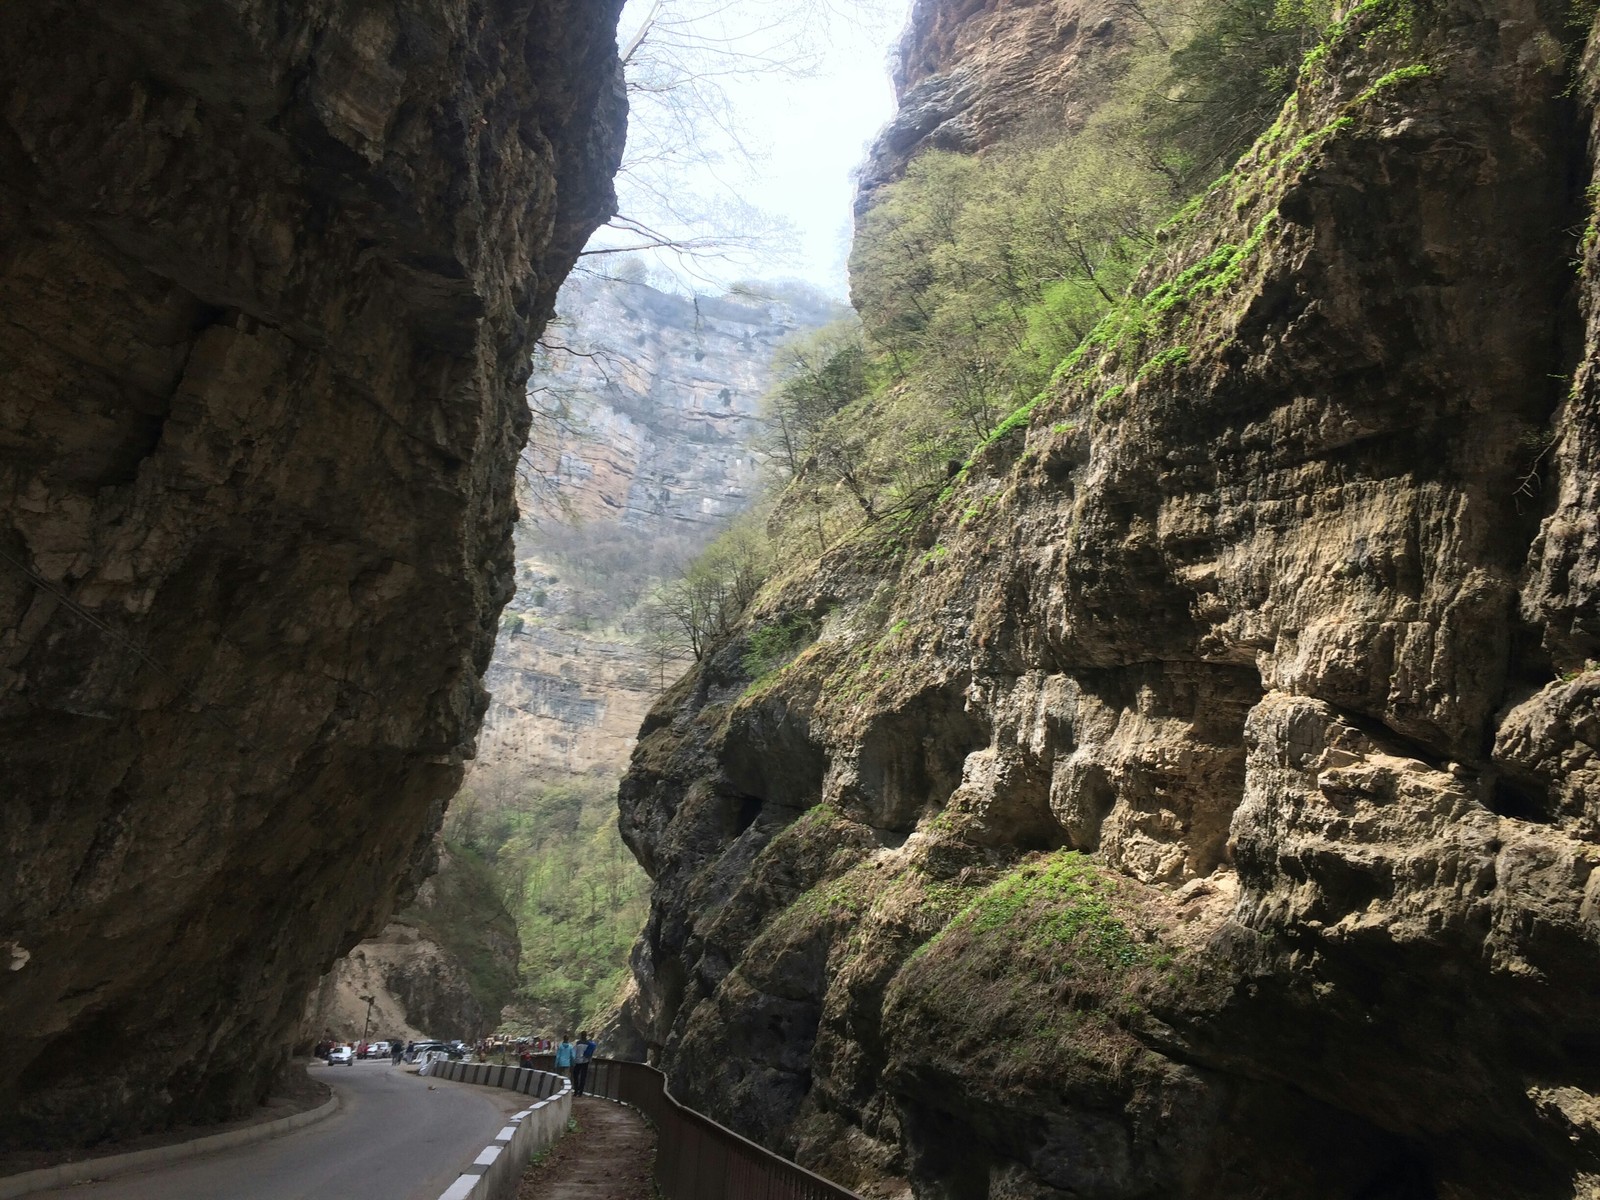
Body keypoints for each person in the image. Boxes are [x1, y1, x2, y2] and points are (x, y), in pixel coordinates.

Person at [573, 1031, 597, 1096]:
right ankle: (580, 1092)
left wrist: (573, 1061)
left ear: (581, 1035)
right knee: (583, 1076)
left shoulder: (578, 1043)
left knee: (575, 1075)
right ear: (586, 1035)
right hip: (585, 1061)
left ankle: (575, 1091)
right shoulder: (589, 1044)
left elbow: (574, 1052)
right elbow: (591, 1053)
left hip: (578, 1061)